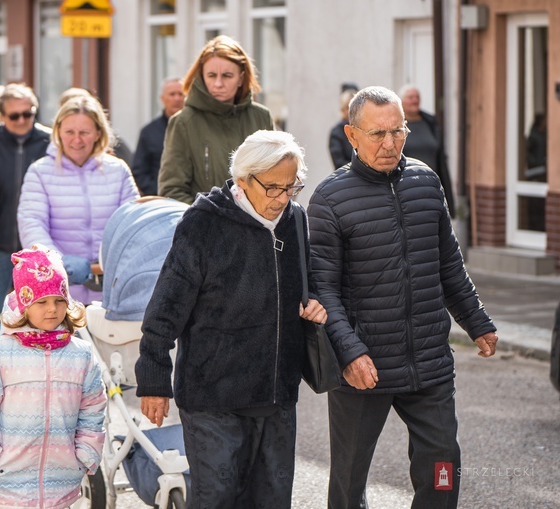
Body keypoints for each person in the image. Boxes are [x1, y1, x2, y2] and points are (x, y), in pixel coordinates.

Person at [306, 86, 499, 509]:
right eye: (377, 134)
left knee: (443, 466)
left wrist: (477, 320)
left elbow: (448, 264)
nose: (390, 143)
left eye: (398, 131)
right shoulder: (329, 199)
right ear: (352, 135)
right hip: (364, 366)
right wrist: (349, 353)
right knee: (349, 481)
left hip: (428, 359)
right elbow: (324, 290)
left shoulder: (426, 182)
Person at [135, 130, 327, 507]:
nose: (282, 199)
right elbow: (165, 307)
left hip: (276, 393)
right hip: (213, 395)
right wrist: (154, 379)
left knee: (272, 500)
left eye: (292, 187)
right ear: (243, 180)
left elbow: (311, 280)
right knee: (217, 499)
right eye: (272, 187)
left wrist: (315, 302)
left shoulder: (296, 219)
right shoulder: (203, 224)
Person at [0, 244, 106, 509]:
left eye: (59, 300)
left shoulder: (81, 354)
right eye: (41, 301)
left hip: (61, 485)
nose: (52, 309)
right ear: (25, 304)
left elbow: (93, 408)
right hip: (6, 487)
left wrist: (85, 456)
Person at [18, 95, 140, 305]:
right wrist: (59, 262)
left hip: (112, 288)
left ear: (98, 133)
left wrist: (117, 260)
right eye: (69, 132)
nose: (76, 140)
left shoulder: (118, 170)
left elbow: (133, 223)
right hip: (59, 293)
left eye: (84, 132)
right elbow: (32, 224)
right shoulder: (40, 172)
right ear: (57, 132)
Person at [0, 83, 52, 348]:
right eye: (14, 116)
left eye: (28, 114)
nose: (22, 120)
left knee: (39, 313)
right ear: (1, 115)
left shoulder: (50, 140)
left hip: (37, 247)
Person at [157, 35, 275, 204]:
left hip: (259, 225)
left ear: (241, 78)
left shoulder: (261, 117)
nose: (218, 83)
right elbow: (172, 190)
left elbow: (278, 178)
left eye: (227, 75)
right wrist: (208, 220)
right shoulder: (183, 122)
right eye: (211, 75)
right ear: (202, 76)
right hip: (206, 226)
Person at [399, 84, 456, 217]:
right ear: (401, 102)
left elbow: (441, 159)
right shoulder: (397, 126)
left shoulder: (430, 122)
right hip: (408, 189)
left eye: (417, 97)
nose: (415, 100)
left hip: (432, 188)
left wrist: (449, 201)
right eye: (410, 97)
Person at [130, 77, 185, 195]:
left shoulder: (196, 129)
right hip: (160, 198)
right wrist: (160, 193)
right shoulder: (148, 132)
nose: (177, 98)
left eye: (181, 94)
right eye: (172, 94)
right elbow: (139, 172)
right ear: (163, 99)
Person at [328, 89, 356, 168]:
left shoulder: (364, 128)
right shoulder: (336, 132)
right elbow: (338, 162)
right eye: (348, 107)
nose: (352, 110)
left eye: (354, 107)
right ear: (343, 110)